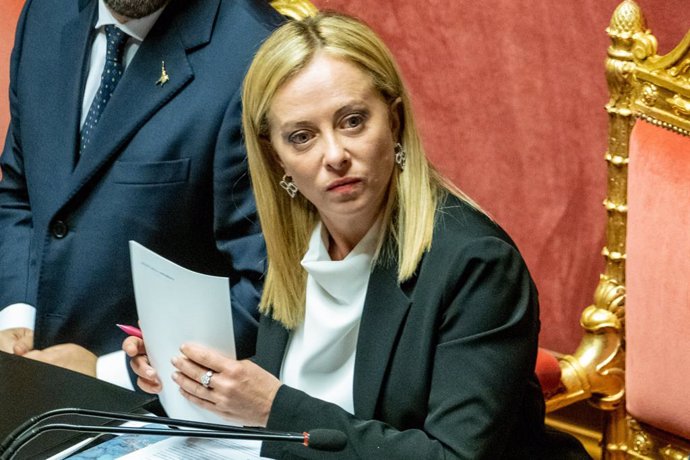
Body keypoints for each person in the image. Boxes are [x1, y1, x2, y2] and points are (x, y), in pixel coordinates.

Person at [125, 12, 590, 458]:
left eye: (352, 121)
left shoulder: (476, 265)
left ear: (395, 121)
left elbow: (452, 456)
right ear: (276, 158)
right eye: (302, 136)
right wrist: (178, 367)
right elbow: (255, 386)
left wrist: (274, 409)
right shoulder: (293, 249)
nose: (334, 155)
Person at [0, 0, 281, 388]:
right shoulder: (45, 12)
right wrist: (17, 314)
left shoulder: (258, 53)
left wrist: (114, 372)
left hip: (160, 407)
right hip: (29, 371)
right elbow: (20, 192)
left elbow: (268, 288)